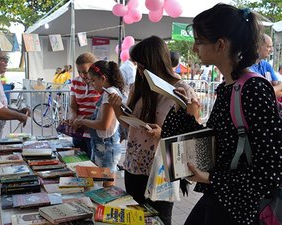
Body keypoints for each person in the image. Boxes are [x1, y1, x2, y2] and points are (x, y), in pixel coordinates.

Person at [159, 4, 281, 225]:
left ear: (220, 44)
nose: (194, 48)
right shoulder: (229, 86)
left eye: (199, 41)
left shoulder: (254, 89)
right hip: (221, 197)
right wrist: (182, 107)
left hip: (239, 209)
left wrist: (211, 178)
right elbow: (217, 142)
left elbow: (271, 170)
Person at [108, 35, 199, 225]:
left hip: (161, 169)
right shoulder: (140, 86)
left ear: (154, 63)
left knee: (159, 220)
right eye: (137, 66)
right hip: (134, 164)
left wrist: (162, 134)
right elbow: (129, 125)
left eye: (142, 66)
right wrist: (117, 109)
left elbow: (191, 138)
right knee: (134, 218)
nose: (139, 71)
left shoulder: (181, 89)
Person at [0, 48, 30, 198]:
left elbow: (1, 105)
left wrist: (18, 110)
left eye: (7, 59)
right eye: (2, 59)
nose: (6, 63)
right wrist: (19, 116)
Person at [72, 60, 125, 187]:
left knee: (107, 187)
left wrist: (82, 121)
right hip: (101, 144)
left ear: (103, 78)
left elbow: (104, 125)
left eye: (93, 81)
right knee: (102, 182)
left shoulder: (110, 94)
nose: (91, 84)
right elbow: (100, 116)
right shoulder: (107, 93)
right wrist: (83, 119)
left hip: (108, 146)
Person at [68, 53, 100, 159]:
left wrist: (86, 122)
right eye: (79, 71)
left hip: (95, 133)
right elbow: (73, 106)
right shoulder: (75, 82)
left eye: (85, 72)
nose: (82, 75)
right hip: (79, 132)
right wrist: (73, 118)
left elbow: (103, 111)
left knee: (93, 167)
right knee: (79, 163)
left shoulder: (99, 84)